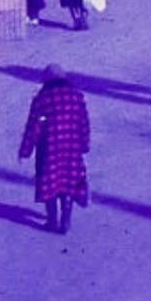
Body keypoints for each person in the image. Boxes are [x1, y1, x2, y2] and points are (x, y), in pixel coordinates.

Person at [18, 65, 90, 234]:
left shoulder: (42, 99)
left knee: (50, 181)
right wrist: (84, 144)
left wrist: (25, 150)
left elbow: (34, 126)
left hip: (49, 148)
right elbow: (84, 122)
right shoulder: (77, 96)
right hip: (72, 148)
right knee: (69, 181)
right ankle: (66, 219)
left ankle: (52, 220)